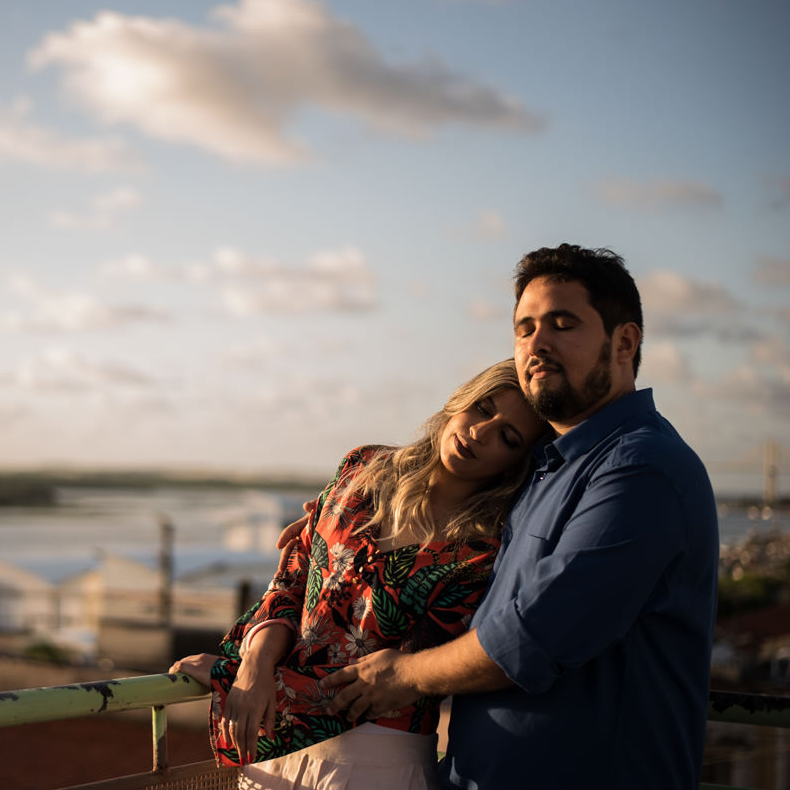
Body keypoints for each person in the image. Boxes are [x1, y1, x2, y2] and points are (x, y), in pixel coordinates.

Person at [316, 244, 720, 790]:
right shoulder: (541, 470)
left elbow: (531, 637)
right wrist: (345, 521)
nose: (537, 344)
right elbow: (450, 534)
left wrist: (403, 676)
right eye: (524, 328)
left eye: (562, 323)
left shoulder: (643, 468)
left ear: (624, 342)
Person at [170, 359, 549, 790]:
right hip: (272, 757)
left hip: (376, 762)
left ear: (513, 463)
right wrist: (251, 665)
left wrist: (226, 677)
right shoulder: (361, 468)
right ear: (460, 400)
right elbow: (294, 581)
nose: (480, 432)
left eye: (507, 436)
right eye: (483, 408)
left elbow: (393, 682)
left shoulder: (483, 552)